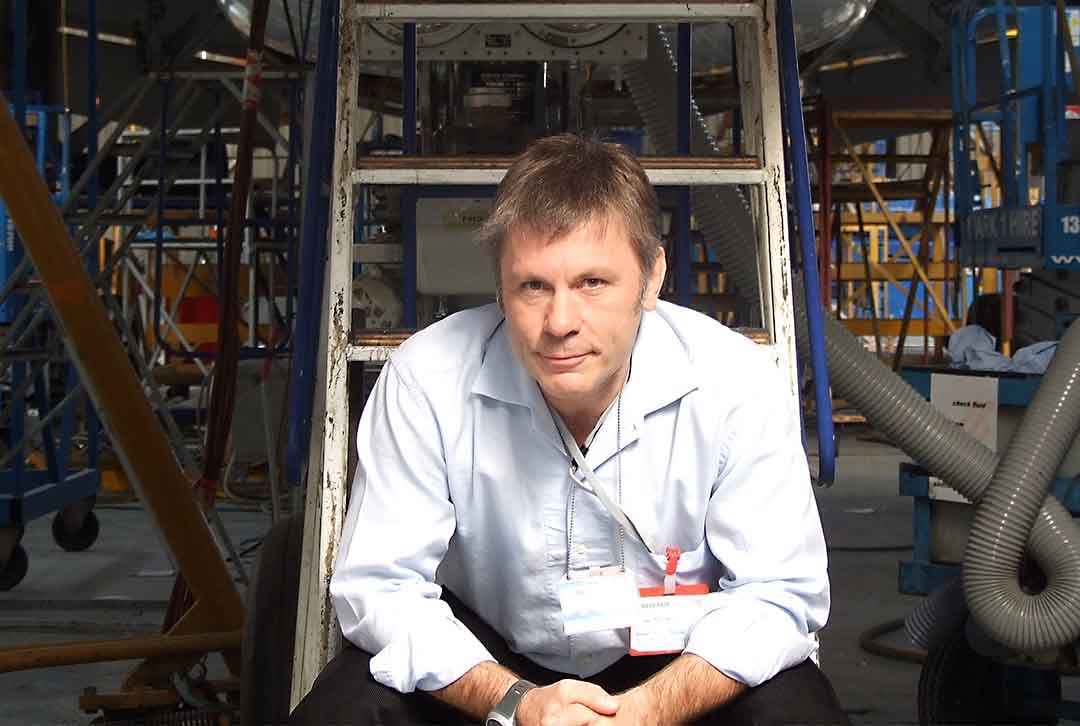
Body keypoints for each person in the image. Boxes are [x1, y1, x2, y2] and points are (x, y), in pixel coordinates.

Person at [290, 134, 846, 725]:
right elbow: (380, 587)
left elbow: (781, 594)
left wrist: (648, 711)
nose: (560, 322)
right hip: (489, 661)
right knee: (346, 708)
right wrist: (514, 702)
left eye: (592, 283)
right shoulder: (427, 378)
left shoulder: (734, 381)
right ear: (500, 283)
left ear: (652, 277)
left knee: (795, 710)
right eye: (533, 286)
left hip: (672, 661)